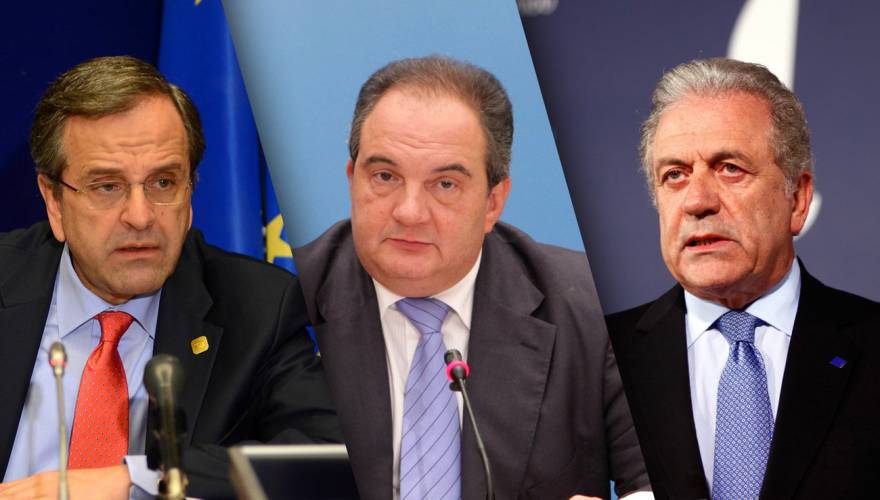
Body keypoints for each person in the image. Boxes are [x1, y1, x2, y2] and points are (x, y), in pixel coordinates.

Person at [294, 55, 650, 500]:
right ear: (352, 179)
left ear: (493, 202)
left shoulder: (595, 305)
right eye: (385, 176)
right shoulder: (291, 298)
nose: (409, 212)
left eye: (445, 184)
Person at [0, 56, 341, 499]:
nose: (140, 216)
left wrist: (138, 480)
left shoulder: (256, 309)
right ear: (53, 201)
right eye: (107, 186)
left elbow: (328, 456)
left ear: (190, 190)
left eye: (163, 183)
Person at [607, 57, 880, 499]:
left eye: (729, 168)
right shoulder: (602, 354)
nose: (697, 201)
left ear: (797, 199)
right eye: (674, 175)